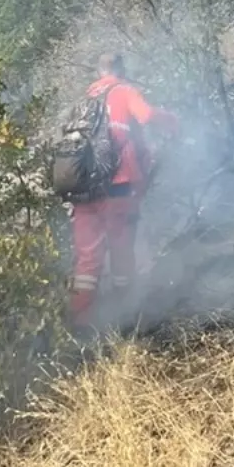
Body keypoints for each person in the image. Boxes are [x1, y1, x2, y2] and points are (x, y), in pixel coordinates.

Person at [68, 51, 179, 330]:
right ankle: (125, 314)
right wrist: (174, 122)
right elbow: (147, 115)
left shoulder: (85, 99)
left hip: (82, 189)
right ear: (121, 70)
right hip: (117, 187)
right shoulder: (124, 91)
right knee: (121, 251)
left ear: (99, 72)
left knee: (87, 259)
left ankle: (78, 322)